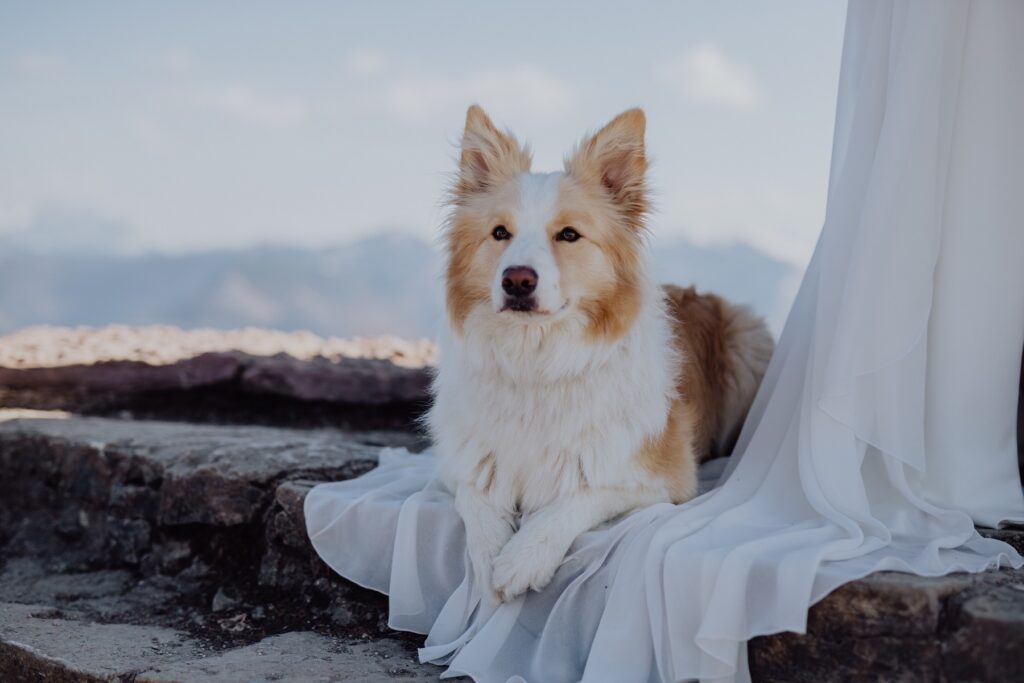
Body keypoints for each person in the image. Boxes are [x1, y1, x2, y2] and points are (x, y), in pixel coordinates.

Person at [305, 1, 1024, 680]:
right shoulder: (472, 359)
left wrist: (559, 521)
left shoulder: (638, 368)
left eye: (566, 236)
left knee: (745, 344)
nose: (522, 267)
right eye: (501, 236)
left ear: (614, 244)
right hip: (500, 386)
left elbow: (669, 480)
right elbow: (463, 467)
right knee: (474, 486)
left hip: (678, 359)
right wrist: (483, 515)